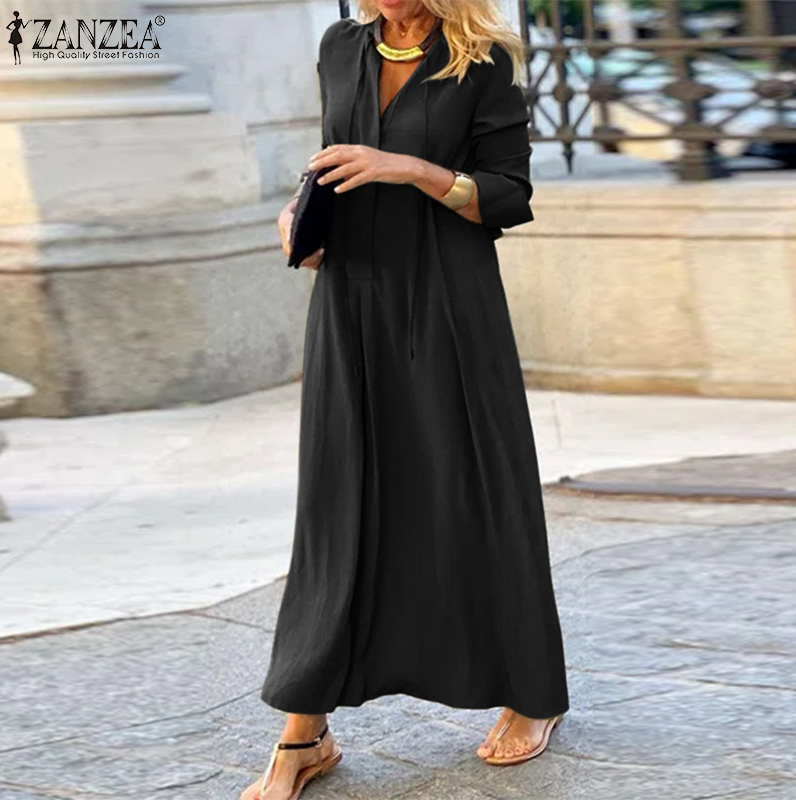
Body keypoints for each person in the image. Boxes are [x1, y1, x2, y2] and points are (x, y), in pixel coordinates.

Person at [241, 1, 569, 798]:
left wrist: (411, 169)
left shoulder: (481, 59)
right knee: (337, 500)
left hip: (450, 296)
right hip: (351, 295)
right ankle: (304, 731)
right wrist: (300, 213)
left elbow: (508, 194)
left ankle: (534, 694)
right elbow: (332, 160)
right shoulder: (341, 45)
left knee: (477, 489)